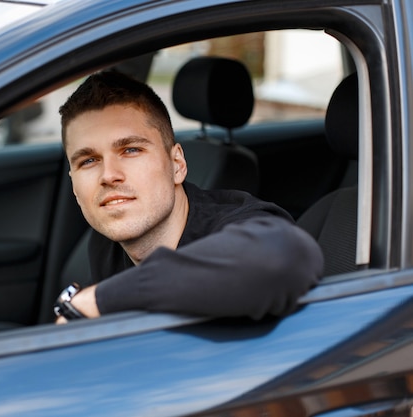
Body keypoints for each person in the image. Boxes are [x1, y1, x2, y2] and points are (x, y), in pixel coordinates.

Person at [54, 70, 323, 323]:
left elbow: (282, 254)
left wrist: (99, 299)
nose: (108, 175)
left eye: (131, 150)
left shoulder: (233, 225)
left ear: (177, 165)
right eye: (88, 161)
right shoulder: (106, 242)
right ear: (74, 186)